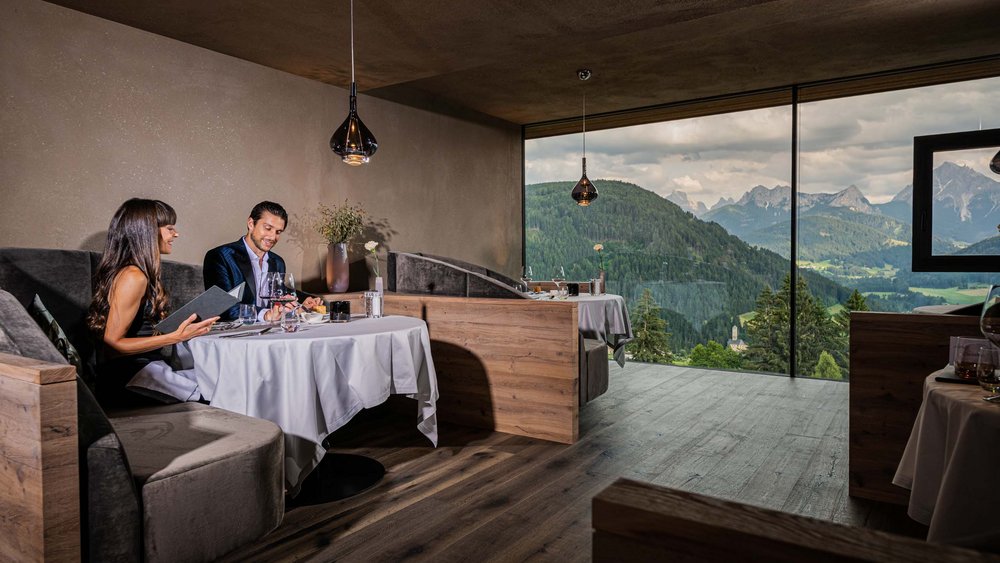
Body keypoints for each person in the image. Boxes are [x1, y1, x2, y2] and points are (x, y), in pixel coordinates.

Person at [87, 198, 217, 406]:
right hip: (129, 376)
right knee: (218, 396)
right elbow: (112, 344)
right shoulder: (133, 276)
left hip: (147, 368)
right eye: (169, 228)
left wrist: (182, 326)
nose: (176, 234)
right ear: (148, 231)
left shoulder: (140, 273)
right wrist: (175, 337)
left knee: (220, 382)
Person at [203, 200, 320, 321]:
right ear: (251, 224)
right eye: (268, 228)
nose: (273, 237)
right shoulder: (220, 256)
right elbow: (221, 306)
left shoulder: (277, 262)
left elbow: (280, 293)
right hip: (235, 334)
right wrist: (265, 315)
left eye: (278, 232)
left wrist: (304, 301)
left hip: (270, 331)